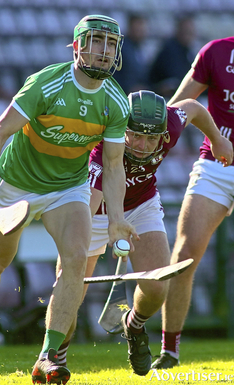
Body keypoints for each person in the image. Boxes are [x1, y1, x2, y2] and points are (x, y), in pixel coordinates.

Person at [0, 14, 137, 384]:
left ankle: (48, 356)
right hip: (18, 184)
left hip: (68, 188)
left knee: (75, 259)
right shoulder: (46, 83)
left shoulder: (116, 103)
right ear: (77, 47)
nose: (104, 52)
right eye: (96, 42)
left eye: (110, 44)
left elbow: (114, 164)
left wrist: (118, 216)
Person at [55, 90, 233, 377]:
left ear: (163, 134)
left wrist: (217, 139)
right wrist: (106, 229)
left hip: (142, 204)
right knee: (69, 290)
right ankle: (56, 360)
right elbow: (89, 206)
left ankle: (134, 325)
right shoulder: (103, 148)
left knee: (157, 287)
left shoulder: (171, 125)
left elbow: (193, 107)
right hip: (97, 210)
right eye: (135, 136)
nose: (142, 145)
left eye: (151, 138)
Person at [152, 36, 234, 370]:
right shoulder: (216, 51)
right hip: (216, 165)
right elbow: (176, 107)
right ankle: (169, 351)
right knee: (185, 255)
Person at [148, 14, 197, 98]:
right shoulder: (169, 50)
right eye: (185, 31)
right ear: (178, 30)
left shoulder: (188, 51)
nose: (188, 35)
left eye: (190, 32)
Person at [114, 13, 150, 95]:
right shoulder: (120, 47)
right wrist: (129, 87)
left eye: (142, 28)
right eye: (137, 28)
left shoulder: (139, 49)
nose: (140, 31)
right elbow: (114, 74)